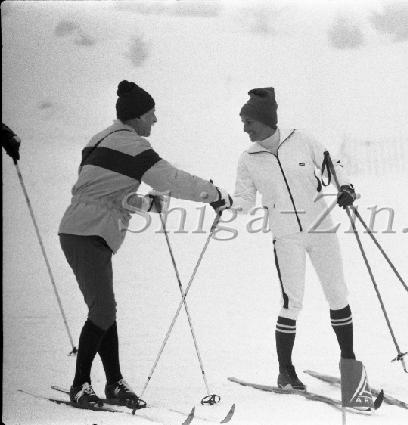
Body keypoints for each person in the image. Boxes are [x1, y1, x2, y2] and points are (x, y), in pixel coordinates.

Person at [58, 80, 232, 407]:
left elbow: (103, 192)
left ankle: (114, 383)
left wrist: (144, 204)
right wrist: (215, 194)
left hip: (83, 230)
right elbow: (172, 180)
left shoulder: (98, 140)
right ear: (137, 116)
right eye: (151, 114)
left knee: (104, 308)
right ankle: (80, 385)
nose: (155, 120)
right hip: (87, 234)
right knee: (103, 309)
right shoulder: (133, 146)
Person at [233, 87, 359, 391]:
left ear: (265, 120)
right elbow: (244, 201)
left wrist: (345, 187)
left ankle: (349, 364)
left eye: (249, 122)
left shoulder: (300, 139)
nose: (245, 129)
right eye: (244, 123)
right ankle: (286, 371)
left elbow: (332, 165)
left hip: (320, 227)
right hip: (286, 235)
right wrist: (223, 203)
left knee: (337, 293)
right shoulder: (248, 159)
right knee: (292, 301)